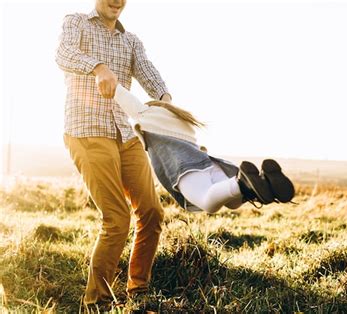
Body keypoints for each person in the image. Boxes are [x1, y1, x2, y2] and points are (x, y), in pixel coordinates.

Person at [55, 0, 169, 311]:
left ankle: (138, 289)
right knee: (117, 218)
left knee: (152, 212)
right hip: (87, 130)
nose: (117, 1)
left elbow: (148, 73)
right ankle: (97, 302)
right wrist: (97, 66)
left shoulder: (130, 40)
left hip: (125, 134)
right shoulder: (76, 22)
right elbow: (63, 54)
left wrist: (165, 100)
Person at [113, 84, 295, 214]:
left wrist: (106, 79)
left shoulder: (148, 114)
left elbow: (124, 97)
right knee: (232, 203)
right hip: (209, 164)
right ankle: (261, 186)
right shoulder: (182, 121)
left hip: (185, 169)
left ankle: (242, 184)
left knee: (208, 202)